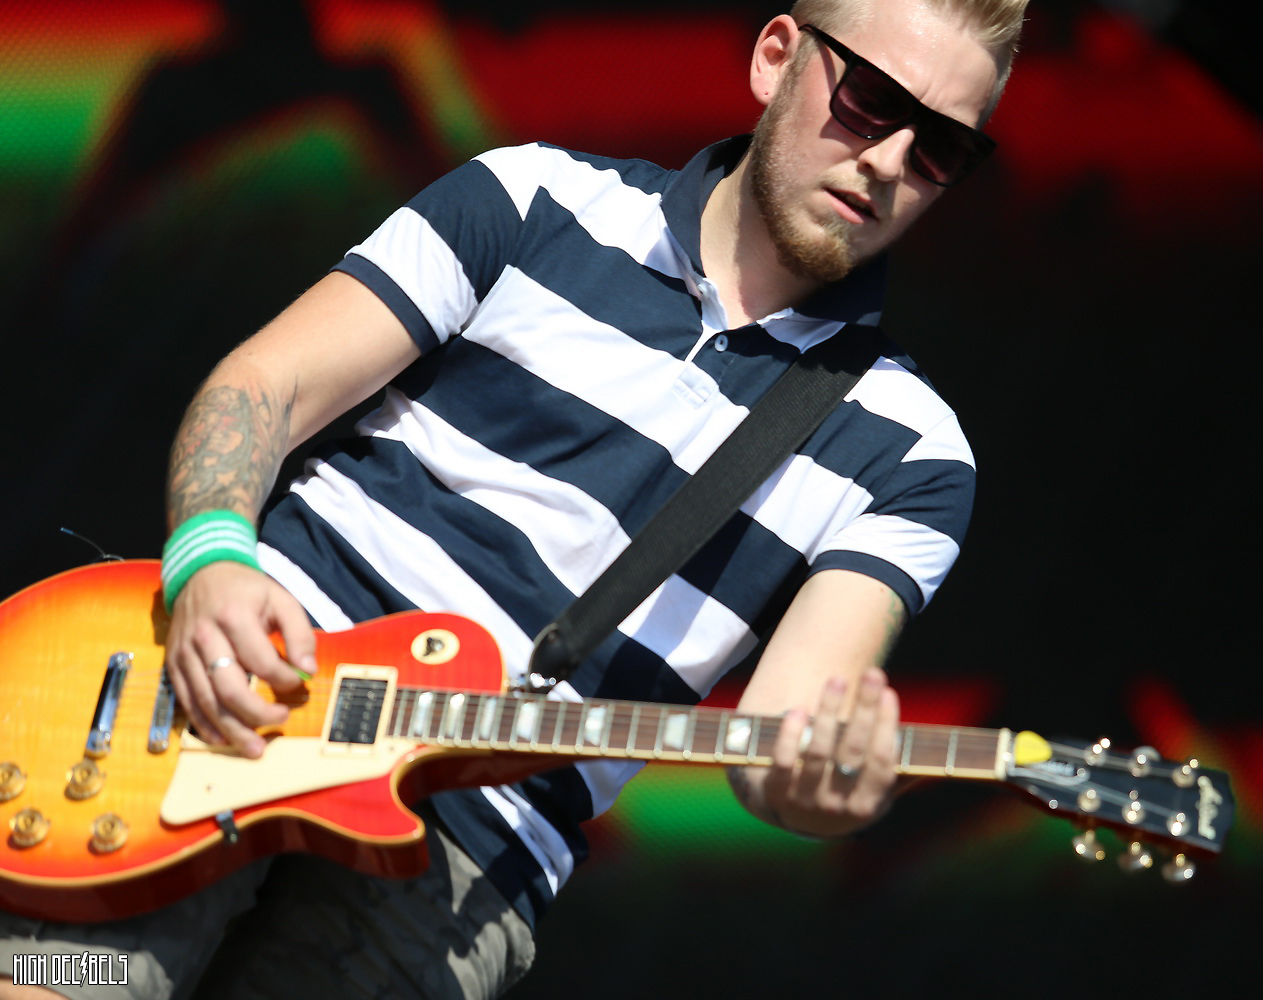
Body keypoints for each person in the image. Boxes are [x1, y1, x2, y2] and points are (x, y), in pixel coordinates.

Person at [1, 0, 1027, 996]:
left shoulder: (915, 450)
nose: (891, 160)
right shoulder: (532, 196)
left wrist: (827, 789)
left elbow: (788, 732)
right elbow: (263, 387)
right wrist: (211, 557)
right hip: (242, 684)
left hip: (465, 857)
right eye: (870, 102)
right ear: (776, 58)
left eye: (940, 147)